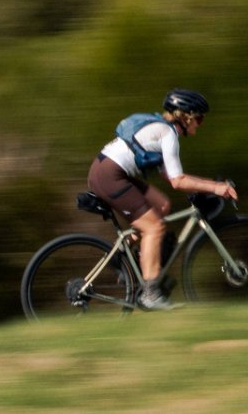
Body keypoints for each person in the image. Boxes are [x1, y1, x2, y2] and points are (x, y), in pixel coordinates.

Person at [88, 89, 238, 310]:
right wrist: (216, 187)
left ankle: (124, 258)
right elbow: (178, 181)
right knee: (155, 228)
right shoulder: (168, 134)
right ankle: (150, 294)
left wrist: (202, 187)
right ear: (186, 116)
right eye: (199, 118)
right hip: (110, 176)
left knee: (162, 204)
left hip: (107, 171)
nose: (200, 123)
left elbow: (169, 176)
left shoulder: (160, 129)